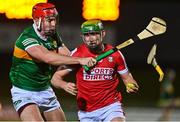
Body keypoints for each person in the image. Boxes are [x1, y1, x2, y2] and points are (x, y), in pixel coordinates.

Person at [9, 3, 96, 121]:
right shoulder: (27, 38)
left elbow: (67, 55)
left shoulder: (52, 35)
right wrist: (80, 60)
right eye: (49, 20)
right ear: (37, 20)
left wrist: (90, 55)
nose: (53, 24)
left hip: (45, 90)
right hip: (24, 92)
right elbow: (48, 57)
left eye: (54, 20)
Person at [51, 19, 139, 122]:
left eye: (94, 34)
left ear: (103, 33)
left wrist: (131, 85)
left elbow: (127, 78)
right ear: (82, 37)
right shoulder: (77, 54)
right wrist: (64, 85)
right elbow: (55, 78)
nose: (90, 39)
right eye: (86, 35)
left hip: (111, 106)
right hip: (86, 111)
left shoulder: (115, 55)